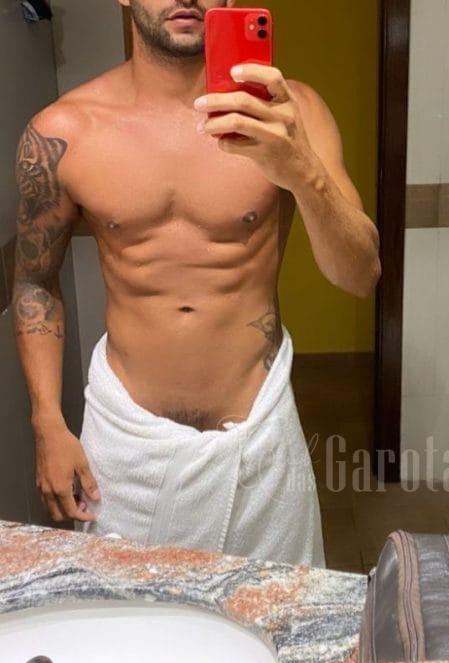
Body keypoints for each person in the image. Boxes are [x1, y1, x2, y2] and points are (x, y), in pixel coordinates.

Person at [12, 0, 381, 567]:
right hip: (127, 446)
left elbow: (360, 275)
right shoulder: (63, 132)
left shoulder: (290, 115)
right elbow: (35, 283)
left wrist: (302, 171)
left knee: (270, 614)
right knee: (132, 616)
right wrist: (47, 422)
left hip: (256, 440)